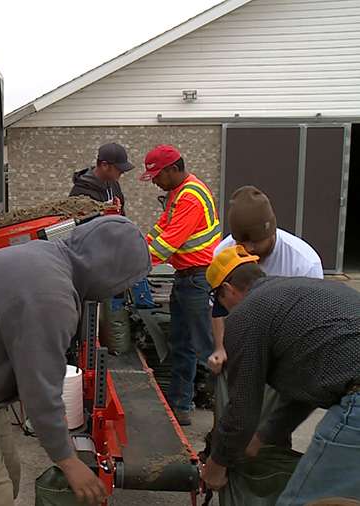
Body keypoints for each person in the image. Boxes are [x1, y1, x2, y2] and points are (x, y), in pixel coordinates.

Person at [0, 216, 150, 506]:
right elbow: (40, 390)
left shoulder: (50, 258)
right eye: (121, 284)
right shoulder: (50, 296)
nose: (116, 293)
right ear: (108, 272)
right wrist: (68, 462)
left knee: (10, 478)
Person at [200, 245, 360, 505]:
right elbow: (305, 393)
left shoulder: (248, 314)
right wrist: (262, 437)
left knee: (299, 501)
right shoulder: (301, 293)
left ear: (228, 290)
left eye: (222, 303)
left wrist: (217, 464)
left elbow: (243, 409)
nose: (227, 313)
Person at [140, 144, 221, 426]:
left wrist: (131, 263)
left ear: (173, 170)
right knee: (182, 345)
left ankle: (229, 411)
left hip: (200, 278)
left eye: (156, 176)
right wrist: (135, 246)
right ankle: (180, 407)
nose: (154, 182)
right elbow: (159, 230)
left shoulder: (191, 197)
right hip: (186, 277)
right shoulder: (177, 193)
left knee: (207, 348)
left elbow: (167, 244)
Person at [208, 185, 324, 374]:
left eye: (255, 242)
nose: (249, 249)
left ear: (271, 231)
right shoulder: (225, 253)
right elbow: (216, 307)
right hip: (245, 343)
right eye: (241, 243)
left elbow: (312, 321)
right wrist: (220, 347)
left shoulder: (304, 262)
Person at [69, 142, 134, 214]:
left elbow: (121, 214)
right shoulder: (79, 194)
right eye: (118, 168)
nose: (122, 172)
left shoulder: (113, 184)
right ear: (104, 165)